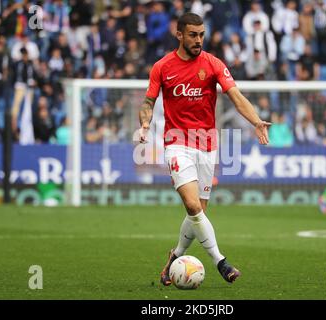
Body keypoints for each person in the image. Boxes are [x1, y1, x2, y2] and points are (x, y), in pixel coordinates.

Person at [138, 13, 271, 286]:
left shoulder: (212, 64)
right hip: (177, 144)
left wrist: (256, 121)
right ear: (180, 35)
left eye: (201, 34)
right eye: (193, 35)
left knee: (197, 212)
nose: (198, 40)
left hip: (207, 146)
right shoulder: (162, 67)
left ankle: (174, 257)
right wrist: (144, 124)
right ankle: (221, 261)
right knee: (191, 204)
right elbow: (148, 102)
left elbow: (236, 96)